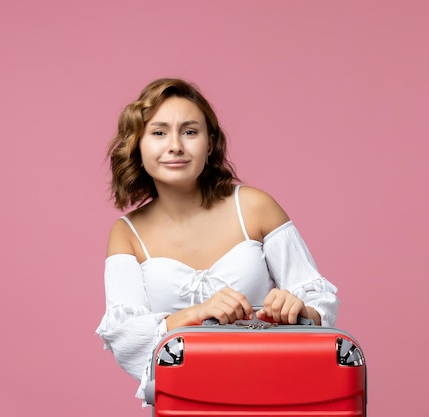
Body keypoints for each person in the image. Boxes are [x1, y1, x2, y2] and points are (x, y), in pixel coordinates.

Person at [95, 78, 339, 402]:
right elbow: (125, 335)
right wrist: (197, 314)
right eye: (158, 132)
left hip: (275, 393)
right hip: (185, 401)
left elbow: (319, 302)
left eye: (190, 131)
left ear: (210, 144)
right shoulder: (126, 233)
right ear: (137, 145)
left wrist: (299, 308)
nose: (175, 146)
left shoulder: (255, 206)